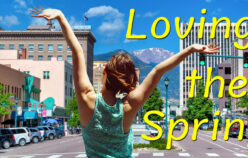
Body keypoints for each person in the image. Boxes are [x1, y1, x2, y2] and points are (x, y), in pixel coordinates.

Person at [30, 6, 220, 158]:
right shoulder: (130, 106)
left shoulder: (87, 99)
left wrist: (61, 16)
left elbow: (77, 50)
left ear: (104, 73)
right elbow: (158, 70)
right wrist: (189, 50)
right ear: (130, 81)